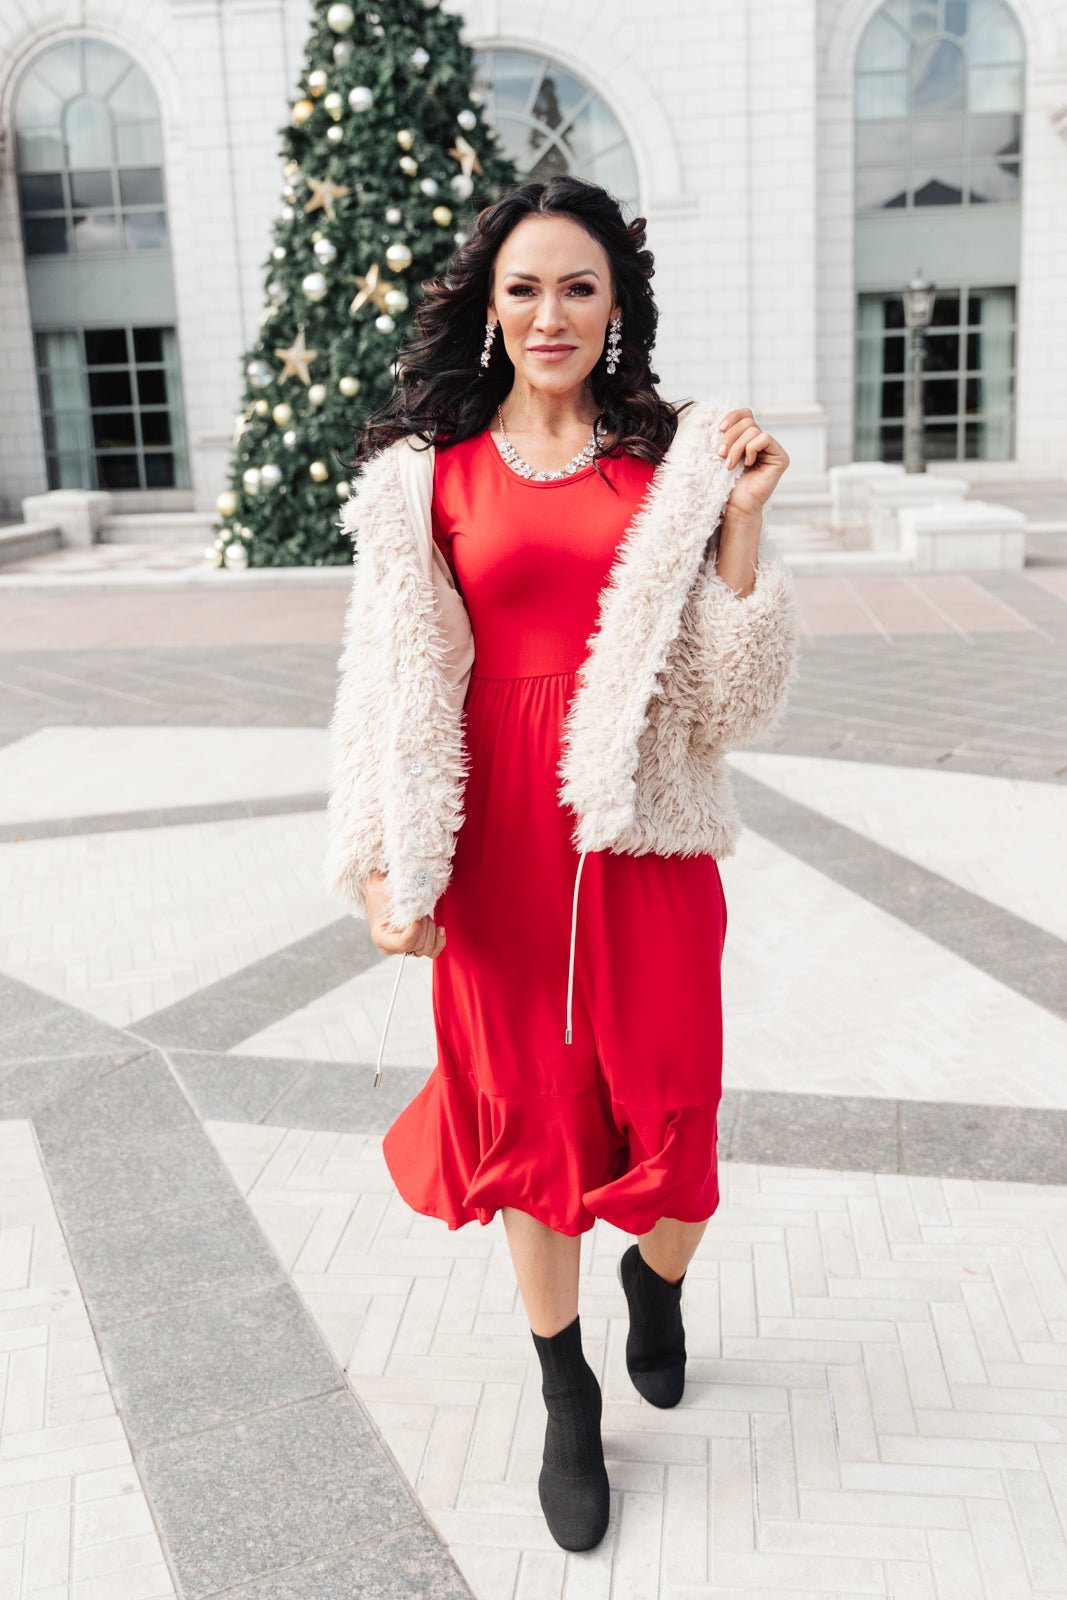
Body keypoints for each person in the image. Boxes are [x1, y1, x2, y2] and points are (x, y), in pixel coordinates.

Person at [324, 175, 798, 1552]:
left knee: (678, 1139)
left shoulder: (672, 473)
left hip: (640, 839)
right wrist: (379, 861)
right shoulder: (429, 480)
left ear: (616, 308)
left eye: (579, 286)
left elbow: (728, 703)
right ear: (488, 307)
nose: (550, 312)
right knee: (532, 1127)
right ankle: (566, 1390)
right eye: (524, 286)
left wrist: (749, 522)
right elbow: (385, 683)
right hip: (494, 848)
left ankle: (656, 1283)